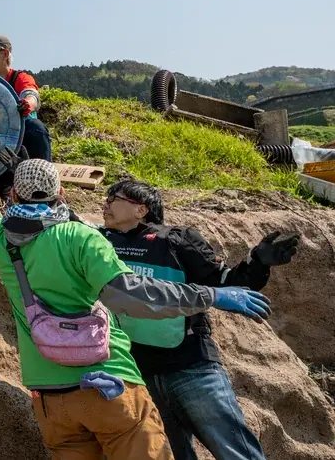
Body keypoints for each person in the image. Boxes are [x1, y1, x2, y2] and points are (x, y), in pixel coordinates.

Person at [0, 152, 273, 460]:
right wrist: (212, 295)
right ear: (61, 192)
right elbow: (131, 294)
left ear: (14, 196)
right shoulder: (79, 236)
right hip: (109, 385)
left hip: (48, 398)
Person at [99, 180, 300, 460]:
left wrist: (258, 262)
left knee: (236, 453)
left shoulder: (177, 240)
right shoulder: (99, 243)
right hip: (137, 372)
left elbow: (227, 283)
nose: (105, 203)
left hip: (191, 369)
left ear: (141, 209)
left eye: (114, 197)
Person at [0, 34, 51, 192]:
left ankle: (45, 186)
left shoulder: (20, 78)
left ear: (4, 53)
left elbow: (31, 94)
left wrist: (28, 103)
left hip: (22, 144)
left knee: (35, 127)